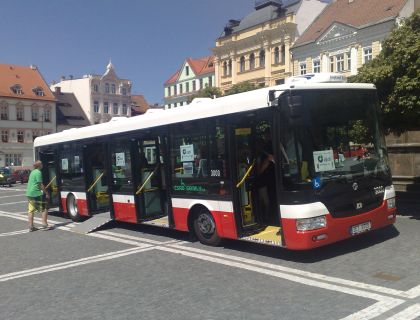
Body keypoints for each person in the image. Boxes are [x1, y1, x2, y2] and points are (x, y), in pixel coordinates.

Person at [26, 161, 53, 232]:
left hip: (29, 193)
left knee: (31, 210)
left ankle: (31, 227)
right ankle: (45, 225)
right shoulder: (38, 172)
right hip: (35, 193)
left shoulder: (32, 172)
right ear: (39, 165)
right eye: (42, 164)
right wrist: (46, 193)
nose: (42, 165)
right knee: (44, 208)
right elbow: (40, 184)